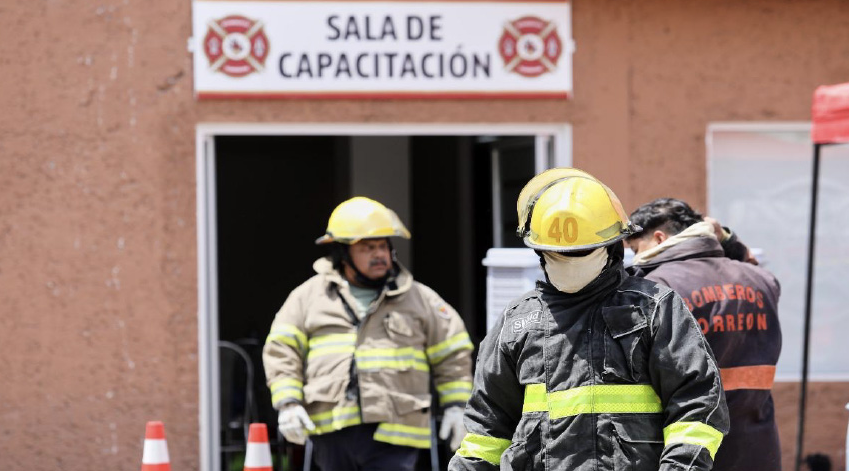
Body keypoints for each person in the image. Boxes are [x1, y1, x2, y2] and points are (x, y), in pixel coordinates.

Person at [449, 168, 729, 471]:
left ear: (612, 246)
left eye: (583, 252)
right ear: (541, 253)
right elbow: (486, 431)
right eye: (559, 254)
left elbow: (697, 406)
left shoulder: (654, 309)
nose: (571, 262)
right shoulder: (519, 322)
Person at [262, 196, 474, 471]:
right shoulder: (308, 297)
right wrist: (288, 404)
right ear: (342, 253)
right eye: (367, 247)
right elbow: (281, 350)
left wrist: (457, 406)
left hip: (397, 431)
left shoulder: (421, 299)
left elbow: (452, 353)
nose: (380, 254)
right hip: (332, 429)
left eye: (384, 246)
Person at [626, 198, 782, 471]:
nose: (635, 256)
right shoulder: (761, 280)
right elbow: (748, 260)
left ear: (659, 237)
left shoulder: (656, 285)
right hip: (758, 447)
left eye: (636, 247)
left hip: (691, 451)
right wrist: (726, 239)